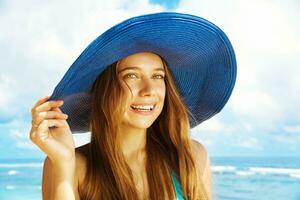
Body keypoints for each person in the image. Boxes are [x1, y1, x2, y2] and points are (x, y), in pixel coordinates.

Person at [29, 12, 236, 200]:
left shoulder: (190, 157)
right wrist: (64, 163)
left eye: (157, 76)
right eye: (132, 75)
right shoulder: (71, 165)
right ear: (104, 90)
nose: (148, 90)